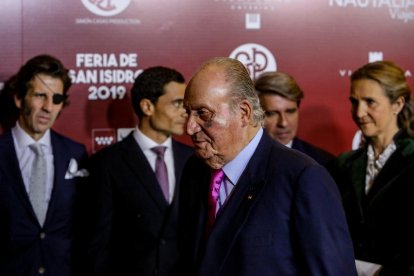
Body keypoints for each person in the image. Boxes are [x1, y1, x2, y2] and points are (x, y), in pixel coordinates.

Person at [176, 57, 357, 275]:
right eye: (188, 112)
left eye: (203, 114)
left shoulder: (302, 178)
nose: (190, 127)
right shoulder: (194, 170)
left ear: (243, 113)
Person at [87, 66, 193, 276]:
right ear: (147, 106)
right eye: (177, 104)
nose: (185, 112)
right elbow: (98, 244)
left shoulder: (193, 159)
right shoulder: (107, 163)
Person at [0, 54, 88, 276]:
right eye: (40, 96)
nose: (49, 107)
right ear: (19, 98)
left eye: (57, 99)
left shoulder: (75, 153)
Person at [328, 60, 414, 275]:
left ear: (398, 104)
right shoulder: (343, 164)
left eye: (370, 102)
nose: (359, 112)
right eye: (354, 102)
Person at [254, 71, 335, 165]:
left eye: (290, 111)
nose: (284, 123)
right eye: (272, 113)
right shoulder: (238, 161)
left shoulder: (322, 163)